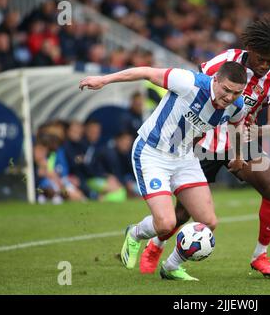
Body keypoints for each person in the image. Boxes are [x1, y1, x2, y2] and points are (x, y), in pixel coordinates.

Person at [139, 20, 270, 278]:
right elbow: (197, 88)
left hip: (242, 140)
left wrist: (254, 132)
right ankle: (156, 245)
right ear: (249, 49)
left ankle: (260, 255)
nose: (265, 65)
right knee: (182, 212)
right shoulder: (227, 60)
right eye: (261, 59)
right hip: (205, 137)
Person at [79, 61, 247, 281]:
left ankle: (170, 267)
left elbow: (236, 125)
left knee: (208, 222)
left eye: (236, 92)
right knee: (166, 223)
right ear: (215, 79)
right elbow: (146, 72)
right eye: (226, 89)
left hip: (184, 158)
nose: (229, 96)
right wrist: (104, 79)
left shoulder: (237, 105)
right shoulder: (188, 82)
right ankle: (135, 232)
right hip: (152, 153)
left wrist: (237, 155)